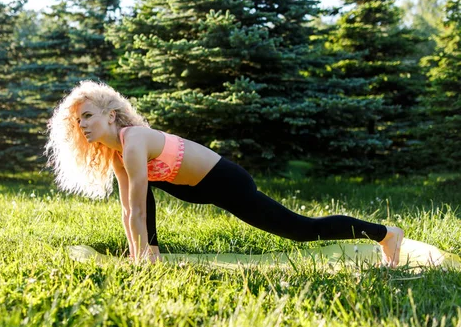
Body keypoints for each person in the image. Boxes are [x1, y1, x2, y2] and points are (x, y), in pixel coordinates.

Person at [45, 81, 404, 267]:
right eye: (79, 121)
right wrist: (137, 254)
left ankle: (385, 234)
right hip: (192, 188)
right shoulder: (118, 154)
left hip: (225, 181)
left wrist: (141, 257)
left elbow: (138, 209)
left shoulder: (134, 140)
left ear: (110, 115)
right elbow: (128, 211)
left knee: (301, 230)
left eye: (89, 115)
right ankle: (148, 253)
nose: (84, 125)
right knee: (141, 196)